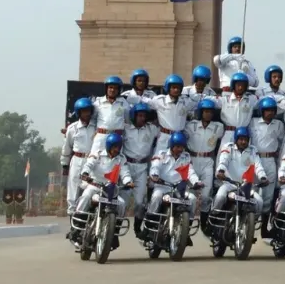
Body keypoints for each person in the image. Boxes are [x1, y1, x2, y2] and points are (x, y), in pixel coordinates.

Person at [72, 134, 134, 243]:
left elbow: (125, 173)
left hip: (110, 189)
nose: (116, 150)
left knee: (122, 204)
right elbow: (89, 165)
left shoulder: (121, 158)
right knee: (86, 196)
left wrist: (128, 182)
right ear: (109, 146)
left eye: (118, 147)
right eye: (114, 147)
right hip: (95, 185)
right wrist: (85, 174)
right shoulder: (98, 154)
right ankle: (77, 227)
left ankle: (114, 233)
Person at [146, 132, 202, 245]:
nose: (180, 149)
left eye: (182, 147)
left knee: (192, 199)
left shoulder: (186, 157)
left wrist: (196, 182)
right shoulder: (162, 154)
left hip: (179, 189)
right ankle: (150, 227)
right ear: (172, 146)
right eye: (177, 147)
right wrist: (155, 175)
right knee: (156, 196)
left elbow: (190, 172)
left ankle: (186, 230)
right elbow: (155, 166)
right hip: (163, 186)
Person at [122, 102, 159, 237]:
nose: (142, 118)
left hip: (142, 167)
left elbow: (168, 131)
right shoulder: (126, 129)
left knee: (140, 202)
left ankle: (138, 228)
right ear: (134, 116)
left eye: (144, 116)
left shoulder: (152, 129)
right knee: (123, 201)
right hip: (127, 165)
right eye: (139, 115)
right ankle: (115, 230)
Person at [184, 99, 224, 221]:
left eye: (211, 112)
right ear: (201, 112)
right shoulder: (191, 125)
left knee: (206, 194)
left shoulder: (218, 127)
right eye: (206, 111)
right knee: (189, 194)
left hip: (208, 161)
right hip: (192, 160)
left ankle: (204, 220)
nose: (208, 114)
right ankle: (188, 221)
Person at [250, 98, 285, 233]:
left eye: (272, 110)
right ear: (262, 111)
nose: (270, 113)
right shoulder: (253, 122)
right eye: (267, 110)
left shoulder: (279, 124)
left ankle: (264, 228)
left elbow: (281, 141)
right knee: (251, 192)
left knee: (268, 195)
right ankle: (249, 225)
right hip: (255, 159)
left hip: (270, 160)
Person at [213, 127, 269, 211]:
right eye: (241, 139)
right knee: (220, 197)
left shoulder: (253, 150)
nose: (244, 142)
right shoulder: (229, 147)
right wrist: (221, 171)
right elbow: (223, 161)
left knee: (259, 202)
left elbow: (258, 166)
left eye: (246, 140)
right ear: (236, 139)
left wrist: (263, 177)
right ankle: (214, 215)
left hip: (246, 186)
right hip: (230, 184)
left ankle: (251, 218)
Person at [61, 98, 96, 216]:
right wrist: (65, 164)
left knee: (91, 188)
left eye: (88, 111)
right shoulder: (72, 128)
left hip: (92, 160)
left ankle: (88, 214)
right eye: (83, 111)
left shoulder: (96, 127)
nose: (86, 114)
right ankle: (72, 215)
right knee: (74, 187)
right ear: (78, 112)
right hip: (77, 160)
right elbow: (67, 147)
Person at [151, 74, 195, 150]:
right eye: (173, 87)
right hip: (165, 136)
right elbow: (145, 102)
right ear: (168, 88)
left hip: (179, 137)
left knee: (179, 157)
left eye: (178, 88)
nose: (176, 90)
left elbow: (198, 104)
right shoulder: (160, 101)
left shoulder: (186, 102)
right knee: (160, 156)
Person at [90, 75, 130, 155]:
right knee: (95, 158)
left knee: (115, 160)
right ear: (106, 88)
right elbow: (92, 120)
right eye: (110, 87)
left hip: (117, 138)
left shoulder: (124, 103)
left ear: (119, 90)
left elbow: (128, 120)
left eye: (115, 88)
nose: (112, 90)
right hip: (101, 136)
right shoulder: (98, 102)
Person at [218, 72, 260, 148]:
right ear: (233, 85)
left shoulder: (251, 99)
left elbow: (265, 100)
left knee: (244, 154)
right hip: (229, 133)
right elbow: (209, 100)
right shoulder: (225, 99)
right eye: (238, 85)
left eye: (243, 85)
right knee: (225, 153)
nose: (240, 87)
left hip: (243, 134)